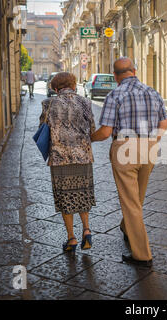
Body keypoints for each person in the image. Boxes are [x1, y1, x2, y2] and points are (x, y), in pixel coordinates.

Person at [91, 57, 167, 267]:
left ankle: (142, 255)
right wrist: (152, 140)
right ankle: (127, 227)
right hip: (150, 146)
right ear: (134, 71)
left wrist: (89, 137)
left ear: (116, 76)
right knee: (138, 196)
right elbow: (164, 123)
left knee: (130, 201)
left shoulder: (115, 94)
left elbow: (106, 132)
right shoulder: (152, 92)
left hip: (124, 148)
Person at [39, 72, 96, 253]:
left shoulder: (48, 104)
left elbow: (42, 127)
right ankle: (86, 230)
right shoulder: (85, 103)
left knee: (65, 198)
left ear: (55, 88)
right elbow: (92, 128)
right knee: (82, 194)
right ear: (73, 85)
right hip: (82, 157)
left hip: (59, 158)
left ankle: (71, 238)